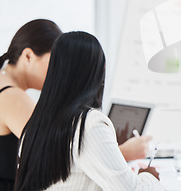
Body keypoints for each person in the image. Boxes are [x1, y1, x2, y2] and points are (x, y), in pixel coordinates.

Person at [0, 20, 151, 191]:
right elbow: (53, 157)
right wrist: (121, 152)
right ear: (27, 56)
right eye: (54, 63)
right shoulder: (11, 96)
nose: (55, 72)